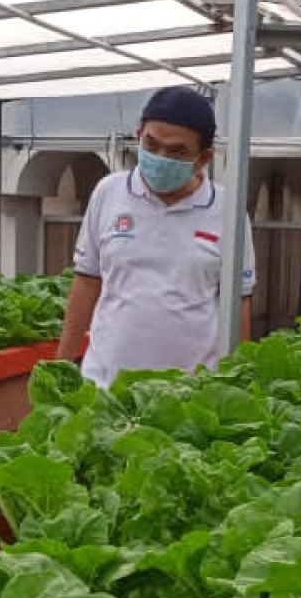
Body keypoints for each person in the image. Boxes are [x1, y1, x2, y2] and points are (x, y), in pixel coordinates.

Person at [55, 86, 257, 388]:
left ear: (203, 157)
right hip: (106, 385)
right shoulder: (109, 192)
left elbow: (238, 301)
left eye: (177, 151)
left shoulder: (227, 210)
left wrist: (234, 382)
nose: (160, 157)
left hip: (188, 395)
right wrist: (62, 367)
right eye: (151, 144)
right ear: (138, 135)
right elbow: (87, 280)